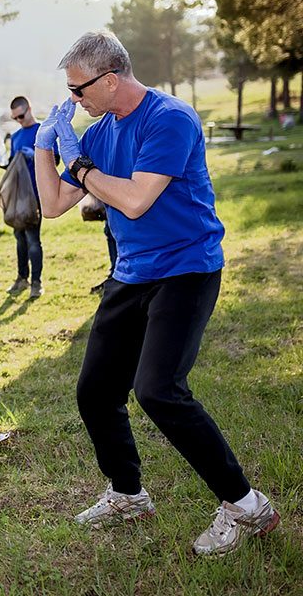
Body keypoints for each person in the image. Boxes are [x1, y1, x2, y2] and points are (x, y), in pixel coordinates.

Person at [34, 30, 279, 556]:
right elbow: (52, 204)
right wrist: (42, 146)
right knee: (96, 391)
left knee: (158, 390)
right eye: (70, 93)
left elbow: (137, 199)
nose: (74, 101)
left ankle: (245, 504)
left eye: (79, 91)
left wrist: (79, 164)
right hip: (132, 272)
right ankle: (128, 493)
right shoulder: (99, 132)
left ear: (111, 78)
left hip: (186, 269)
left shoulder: (170, 118)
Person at [0, 96, 59, 300]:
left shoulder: (43, 131)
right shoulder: (15, 137)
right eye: (15, 118)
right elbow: (14, 167)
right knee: (19, 238)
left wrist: (35, 154)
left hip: (36, 194)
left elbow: (56, 160)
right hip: (19, 196)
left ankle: (36, 283)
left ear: (29, 109)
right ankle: (21, 277)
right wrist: (4, 161)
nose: (20, 120)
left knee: (33, 239)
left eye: (21, 116)